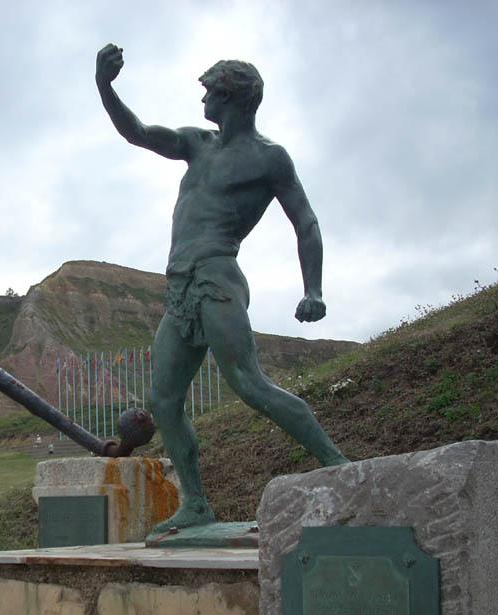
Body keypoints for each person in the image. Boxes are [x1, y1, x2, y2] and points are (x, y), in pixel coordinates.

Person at [96, 44, 349, 533]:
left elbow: (306, 222)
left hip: (217, 275)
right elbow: (140, 134)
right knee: (163, 399)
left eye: (210, 91)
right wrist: (106, 87)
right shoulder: (196, 143)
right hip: (180, 286)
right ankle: (195, 503)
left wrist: (313, 289)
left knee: (249, 384)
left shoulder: (269, 159)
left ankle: (338, 464)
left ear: (232, 97)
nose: (203, 100)